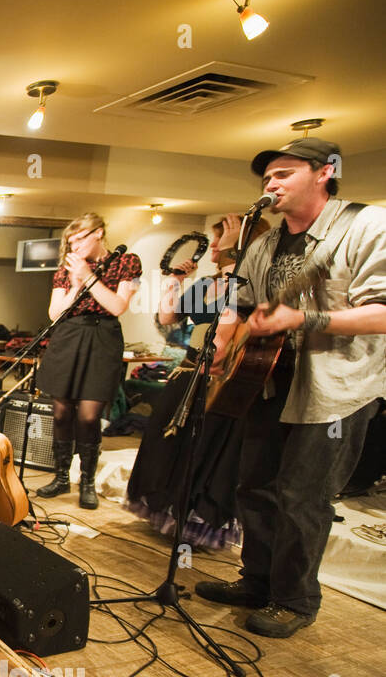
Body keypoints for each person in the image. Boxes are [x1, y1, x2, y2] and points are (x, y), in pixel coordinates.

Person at [194, 137, 386, 638]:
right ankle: (256, 580)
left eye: (284, 173)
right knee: (253, 487)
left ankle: (295, 599)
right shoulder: (264, 243)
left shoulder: (367, 224)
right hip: (265, 380)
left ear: (325, 172)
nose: (271, 184)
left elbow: (382, 313)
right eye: (267, 178)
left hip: (336, 390)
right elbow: (242, 302)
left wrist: (304, 317)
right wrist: (223, 342)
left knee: (302, 497)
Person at [124, 213, 269, 549]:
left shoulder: (247, 284)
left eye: (221, 239)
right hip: (189, 369)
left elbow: (224, 338)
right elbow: (168, 318)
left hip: (216, 380)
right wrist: (175, 280)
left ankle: (192, 521)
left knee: (198, 449)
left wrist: (237, 256)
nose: (213, 245)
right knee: (168, 444)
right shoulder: (210, 281)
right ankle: (168, 510)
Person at [34, 213, 143, 509]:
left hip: (103, 336)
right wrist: (74, 281)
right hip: (69, 335)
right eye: (70, 242)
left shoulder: (127, 262)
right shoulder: (67, 268)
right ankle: (59, 477)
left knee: (88, 415)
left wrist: (88, 277)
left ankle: (87, 481)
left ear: (98, 233)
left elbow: (117, 306)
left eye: (80, 239)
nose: (75, 246)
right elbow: (55, 313)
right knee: (60, 412)